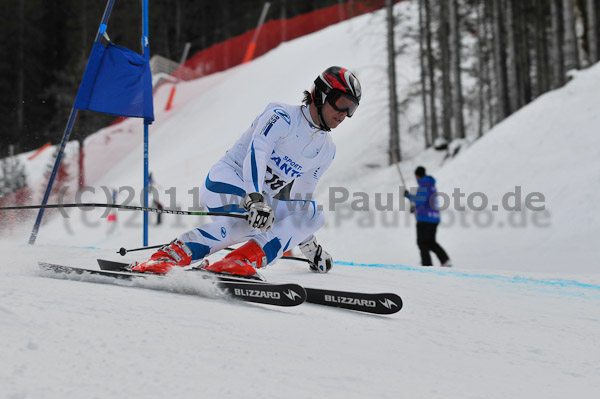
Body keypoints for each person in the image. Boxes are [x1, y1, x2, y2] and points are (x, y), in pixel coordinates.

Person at [132, 66, 362, 277]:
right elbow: (257, 152)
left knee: (313, 213)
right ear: (321, 94)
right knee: (248, 222)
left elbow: (298, 202)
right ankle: (166, 256)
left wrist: (309, 245)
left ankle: (238, 262)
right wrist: (254, 198)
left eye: (351, 108)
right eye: (341, 102)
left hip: (260, 203)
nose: (344, 113)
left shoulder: (326, 149)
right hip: (227, 181)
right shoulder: (282, 116)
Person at [404, 166, 451, 267]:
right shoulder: (431, 184)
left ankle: (427, 265)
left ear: (417, 176)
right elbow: (426, 202)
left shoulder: (424, 184)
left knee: (422, 242)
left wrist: (408, 195)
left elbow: (421, 200)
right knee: (430, 242)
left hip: (425, 218)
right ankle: (445, 260)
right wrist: (415, 209)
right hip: (434, 217)